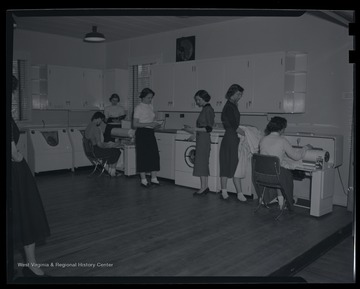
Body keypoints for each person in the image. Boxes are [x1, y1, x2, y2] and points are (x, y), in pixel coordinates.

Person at [10, 75, 51, 277]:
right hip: (15, 174)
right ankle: (32, 265)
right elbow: (14, 155)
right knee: (26, 215)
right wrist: (18, 154)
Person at [256, 116, 313, 210]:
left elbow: (269, 156)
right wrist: (306, 147)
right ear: (281, 129)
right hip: (277, 176)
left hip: (263, 176)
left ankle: (280, 202)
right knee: (285, 173)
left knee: (277, 170)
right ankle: (286, 202)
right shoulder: (282, 140)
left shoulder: (263, 139)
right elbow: (296, 156)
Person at [183, 90, 215, 195]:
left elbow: (209, 128)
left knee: (202, 163)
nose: (197, 102)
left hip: (204, 139)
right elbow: (201, 127)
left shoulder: (208, 110)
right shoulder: (205, 109)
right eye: (197, 100)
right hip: (201, 138)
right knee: (202, 163)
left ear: (204, 98)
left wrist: (194, 129)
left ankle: (204, 187)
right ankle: (204, 187)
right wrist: (193, 134)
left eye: (198, 100)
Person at [219, 84, 247, 202]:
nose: (240, 96)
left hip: (232, 137)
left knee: (235, 164)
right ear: (231, 94)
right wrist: (247, 134)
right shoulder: (229, 107)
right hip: (230, 137)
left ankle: (238, 193)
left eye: (241, 94)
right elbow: (234, 126)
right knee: (228, 163)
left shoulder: (233, 105)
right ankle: (225, 191)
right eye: (238, 94)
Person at [133, 88, 162, 188]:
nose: (150, 99)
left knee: (154, 155)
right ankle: (143, 180)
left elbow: (151, 119)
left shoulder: (150, 106)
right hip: (142, 133)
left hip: (150, 132)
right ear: (143, 97)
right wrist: (150, 123)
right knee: (143, 156)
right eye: (149, 98)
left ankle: (154, 178)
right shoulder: (138, 108)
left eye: (151, 98)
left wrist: (155, 124)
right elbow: (135, 124)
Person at [84, 111, 121, 177]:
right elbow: (99, 145)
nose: (101, 122)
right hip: (95, 151)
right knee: (117, 151)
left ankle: (109, 170)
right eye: (101, 120)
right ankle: (112, 172)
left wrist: (107, 145)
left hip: (89, 151)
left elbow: (93, 141)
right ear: (98, 118)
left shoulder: (88, 126)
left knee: (110, 151)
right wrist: (109, 145)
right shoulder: (95, 128)